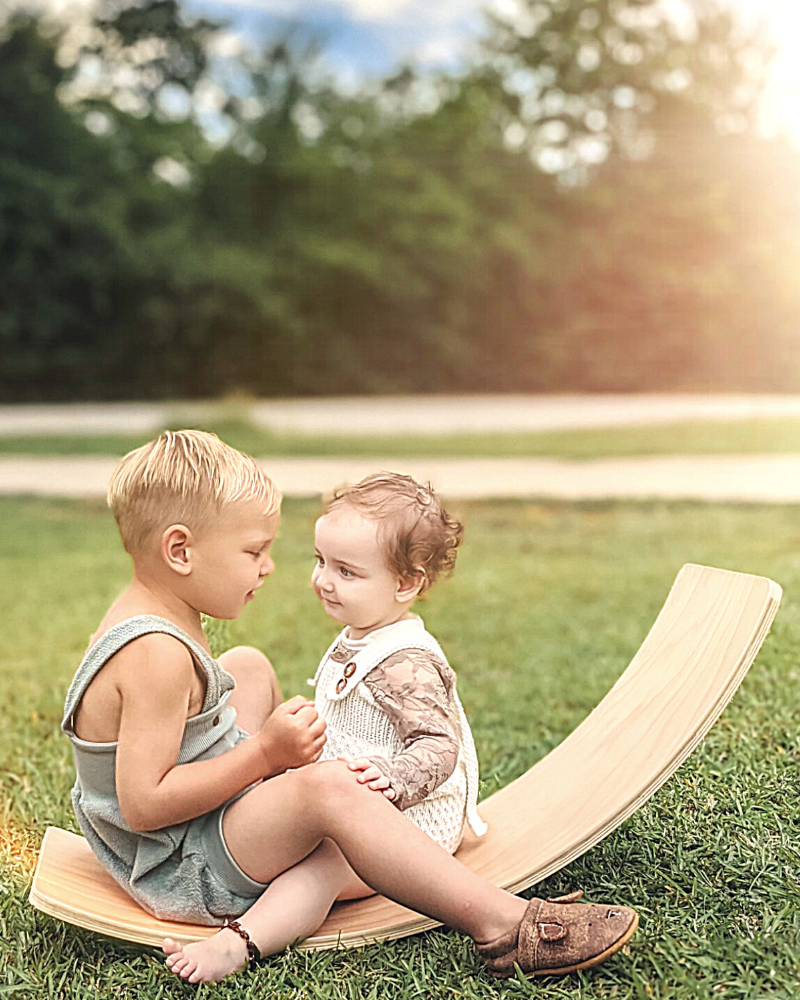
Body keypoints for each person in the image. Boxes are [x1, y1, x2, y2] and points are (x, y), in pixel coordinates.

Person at [62, 430, 638, 987]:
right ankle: (504, 925)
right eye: (254, 551)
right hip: (180, 865)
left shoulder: (150, 612)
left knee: (250, 665)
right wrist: (266, 756)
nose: (268, 567)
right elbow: (144, 805)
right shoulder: (155, 654)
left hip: (190, 833)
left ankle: (292, 808)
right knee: (331, 787)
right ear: (181, 550)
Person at [165, 471, 488, 981]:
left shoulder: (406, 662)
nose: (324, 580)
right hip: (349, 790)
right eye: (321, 561)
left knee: (324, 867)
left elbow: (438, 746)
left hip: (411, 819)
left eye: (347, 571)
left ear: (406, 583)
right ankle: (242, 802)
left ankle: (240, 943)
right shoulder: (365, 632)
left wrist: (396, 778)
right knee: (252, 678)